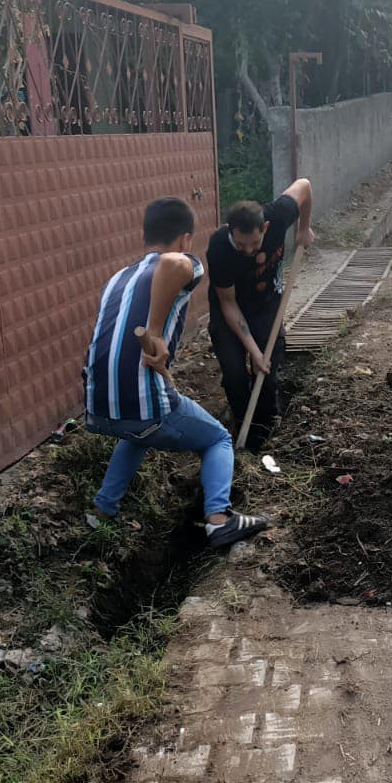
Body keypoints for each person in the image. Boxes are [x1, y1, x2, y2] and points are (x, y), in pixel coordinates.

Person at [82, 196, 268, 548]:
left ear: (144, 235)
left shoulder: (118, 277)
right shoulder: (183, 261)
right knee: (218, 439)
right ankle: (219, 518)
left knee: (136, 433)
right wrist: (154, 331)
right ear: (185, 239)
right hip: (142, 404)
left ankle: (102, 510)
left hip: (98, 409)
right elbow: (172, 263)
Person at [207, 177, 315, 448]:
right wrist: (252, 350)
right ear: (230, 231)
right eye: (240, 244)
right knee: (234, 373)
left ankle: (267, 427)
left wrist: (305, 227)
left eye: (254, 243)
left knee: (265, 372)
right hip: (229, 312)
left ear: (265, 228)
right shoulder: (220, 248)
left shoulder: (277, 215)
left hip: (266, 306)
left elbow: (304, 186)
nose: (248, 250)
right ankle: (244, 429)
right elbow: (229, 305)